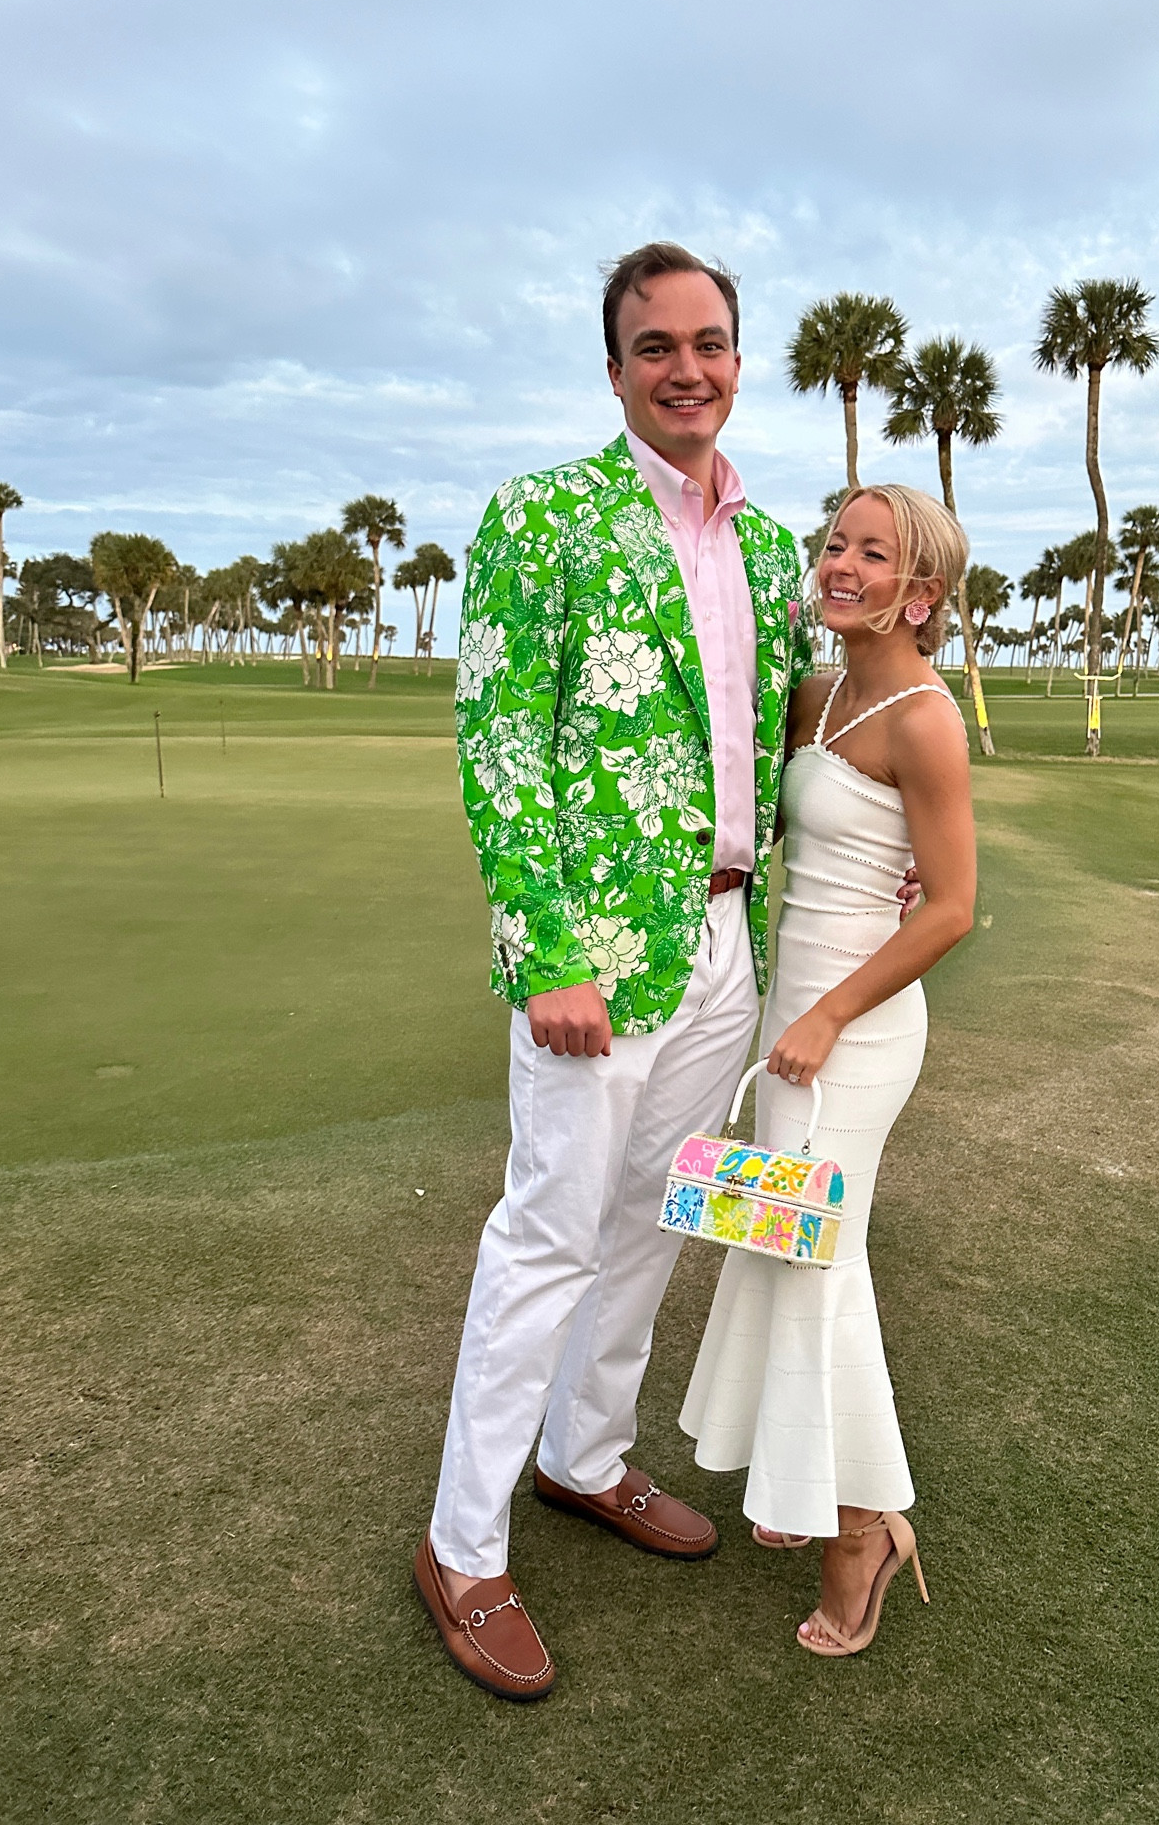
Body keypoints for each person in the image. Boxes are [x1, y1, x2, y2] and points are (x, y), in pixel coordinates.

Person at [413, 242, 813, 1701]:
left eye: (710, 342)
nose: (689, 368)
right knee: (547, 1239)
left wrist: (886, 836)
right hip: (594, 956)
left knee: (653, 1222)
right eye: (658, 347)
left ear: (734, 355)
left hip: (724, 943)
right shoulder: (544, 518)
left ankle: (584, 1460)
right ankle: (463, 1548)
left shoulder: (771, 545)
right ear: (616, 369)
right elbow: (500, 742)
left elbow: (798, 733)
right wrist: (542, 953)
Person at [680, 482, 977, 1657]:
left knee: (818, 1262)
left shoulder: (925, 720)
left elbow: (951, 908)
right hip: (790, 1012)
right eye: (836, 543)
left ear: (922, 592)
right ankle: (804, 1483)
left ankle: (866, 1527)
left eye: (872, 553)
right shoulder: (817, 692)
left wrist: (833, 1015)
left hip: (856, 1032)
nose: (839, 564)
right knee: (779, 1238)